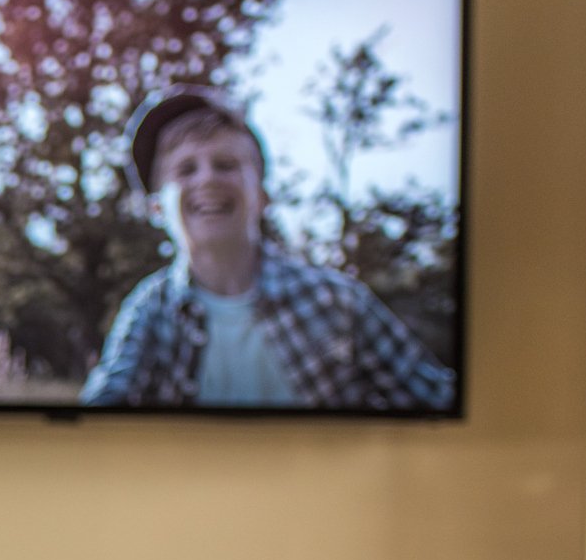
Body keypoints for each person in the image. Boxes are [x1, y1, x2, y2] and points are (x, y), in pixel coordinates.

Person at [79, 87, 456, 411]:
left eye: (226, 165)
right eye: (186, 169)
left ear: (262, 196)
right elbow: (99, 419)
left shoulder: (337, 302)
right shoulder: (149, 312)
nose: (207, 178)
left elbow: (437, 400)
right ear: (156, 207)